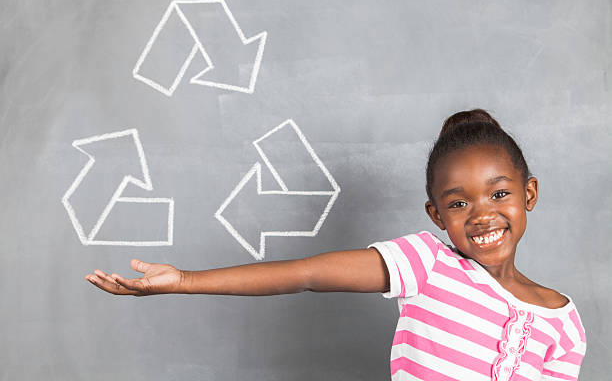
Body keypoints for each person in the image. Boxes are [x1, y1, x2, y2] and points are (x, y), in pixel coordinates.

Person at [86, 109, 586, 381]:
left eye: (499, 194)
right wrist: (184, 281)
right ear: (436, 215)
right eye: (458, 204)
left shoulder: (564, 321)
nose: (482, 215)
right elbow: (305, 274)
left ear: (529, 194)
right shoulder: (426, 264)